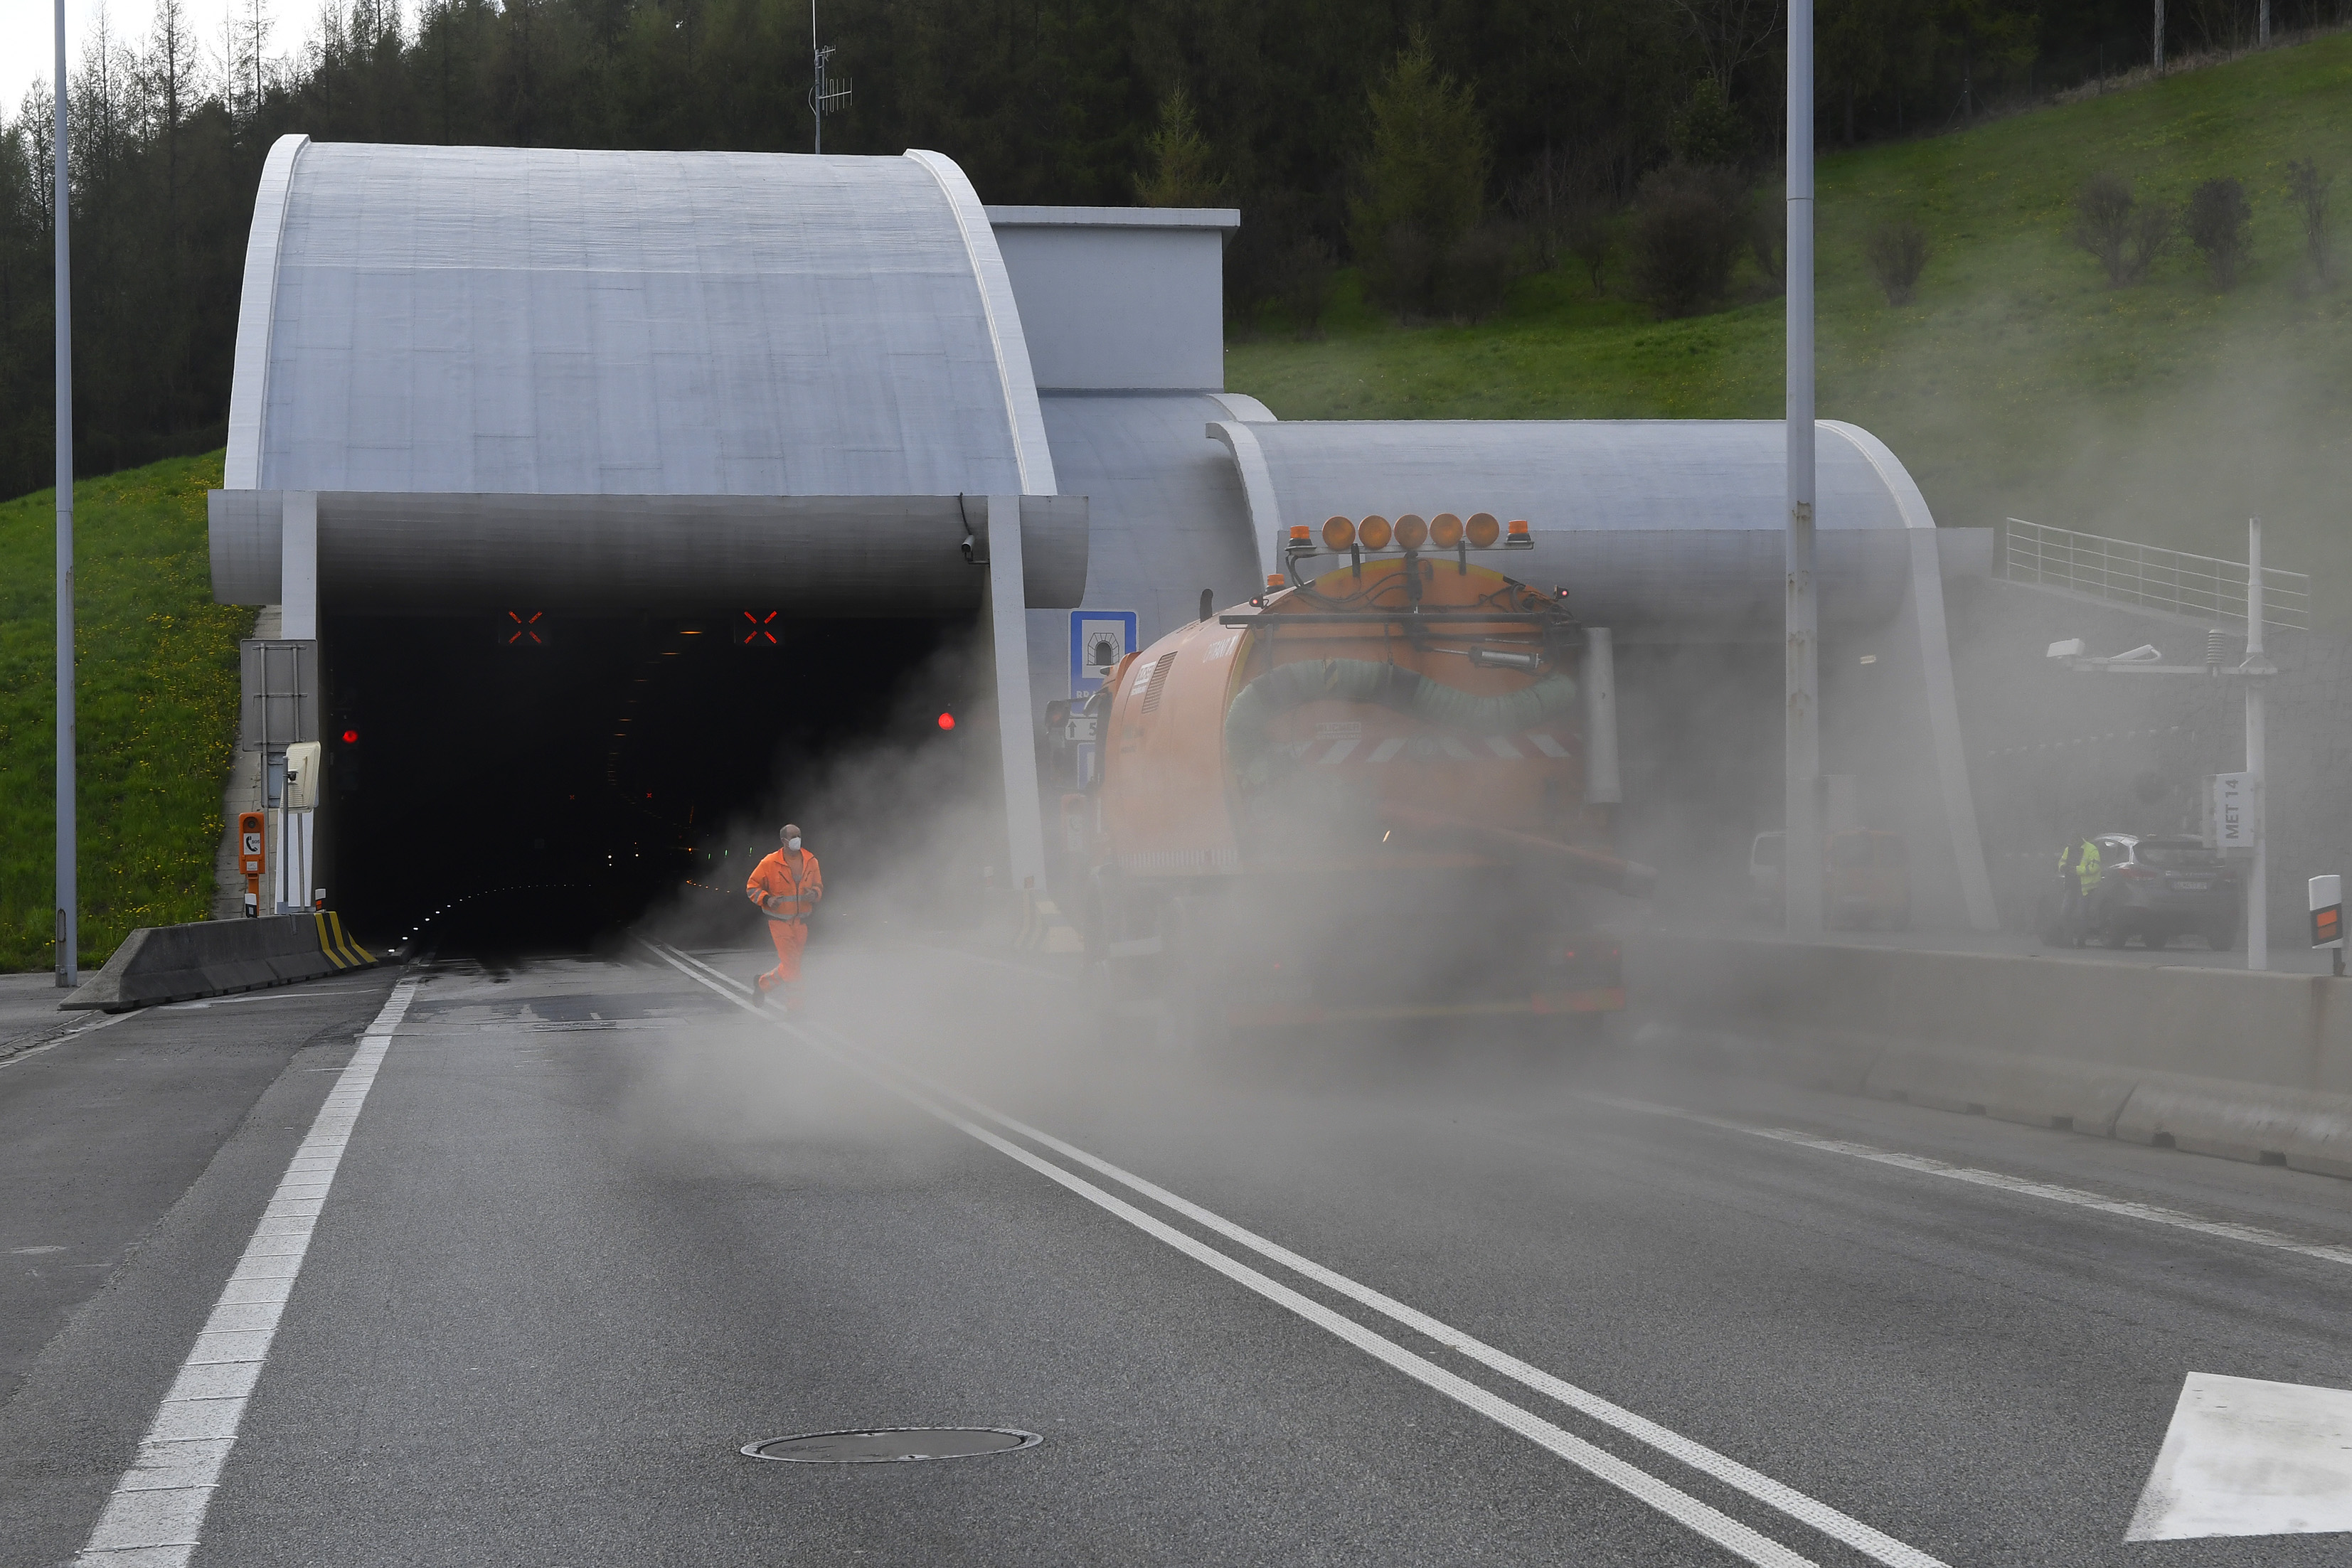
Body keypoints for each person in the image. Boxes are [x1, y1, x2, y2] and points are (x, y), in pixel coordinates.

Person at [745, 823, 822, 1010]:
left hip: (801, 923)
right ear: (784, 841)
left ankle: (762, 984)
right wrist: (767, 899)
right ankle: (795, 1008)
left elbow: (819, 886)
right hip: (779, 923)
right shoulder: (769, 862)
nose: (798, 839)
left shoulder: (811, 860)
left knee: (791, 965)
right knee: (793, 966)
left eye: (799, 835)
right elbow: (752, 887)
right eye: (793, 836)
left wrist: (814, 894)